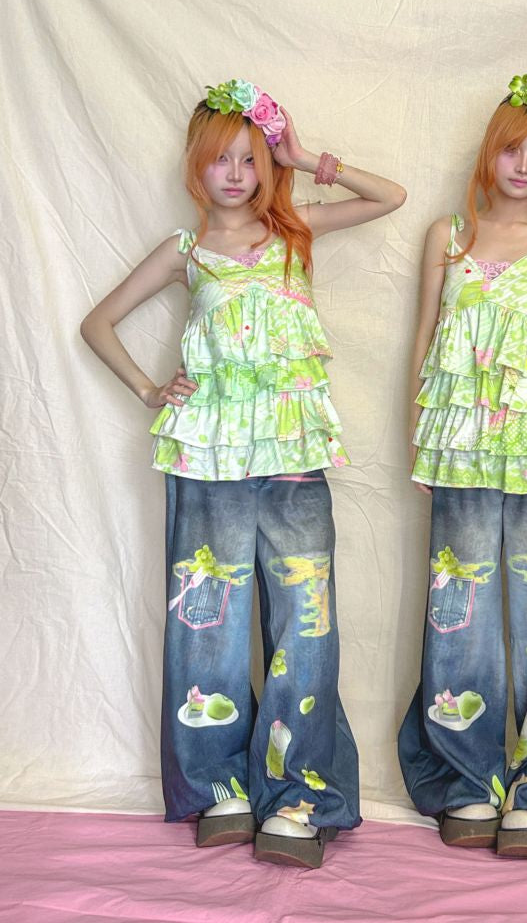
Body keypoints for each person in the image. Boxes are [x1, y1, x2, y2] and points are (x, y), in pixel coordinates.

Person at [81, 78, 406, 869]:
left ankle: (299, 795)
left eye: (250, 159)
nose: (235, 174)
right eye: (219, 159)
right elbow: (98, 322)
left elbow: (389, 196)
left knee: (305, 621)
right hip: (208, 455)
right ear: (195, 166)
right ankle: (218, 786)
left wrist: (303, 156)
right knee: (209, 620)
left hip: (292, 455)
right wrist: (151, 390)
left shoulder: (295, 230)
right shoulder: (184, 252)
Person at [397, 74, 527, 859]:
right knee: (460, 611)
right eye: (512, 150)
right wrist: (417, 434)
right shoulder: (448, 236)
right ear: (490, 153)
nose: (524, 167)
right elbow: (425, 339)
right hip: (461, 445)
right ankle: (467, 777)